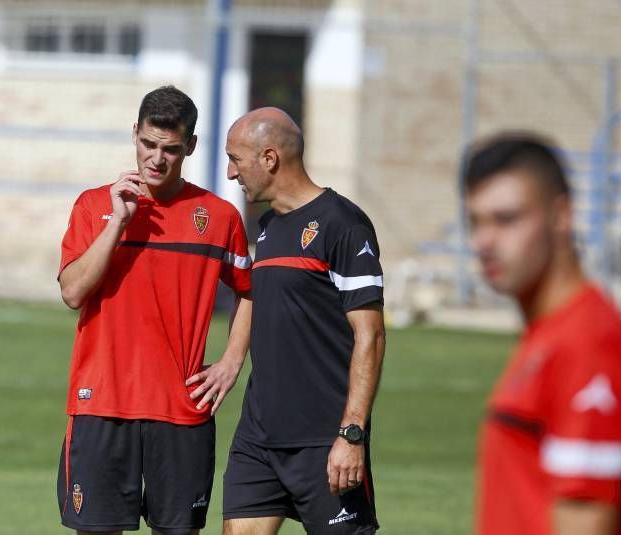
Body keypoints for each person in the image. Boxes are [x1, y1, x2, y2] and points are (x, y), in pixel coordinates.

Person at [56, 85, 252, 535]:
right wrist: (118, 223)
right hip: (102, 402)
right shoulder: (94, 206)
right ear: (134, 135)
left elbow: (250, 290)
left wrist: (231, 361)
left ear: (191, 147)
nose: (156, 158)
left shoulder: (219, 217)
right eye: (148, 144)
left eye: (170, 149)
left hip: (181, 407)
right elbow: (72, 292)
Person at [221, 107, 386, 534]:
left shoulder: (344, 224)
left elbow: (370, 335)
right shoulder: (268, 227)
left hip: (324, 441)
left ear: (269, 159)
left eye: (236, 160)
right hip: (258, 437)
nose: (230, 173)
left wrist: (351, 435)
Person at [465, 132, 621, 535]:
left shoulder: (589, 342)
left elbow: (585, 521)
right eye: (476, 222)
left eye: (507, 219)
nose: (484, 241)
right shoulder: (547, 334)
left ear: (562, 215)